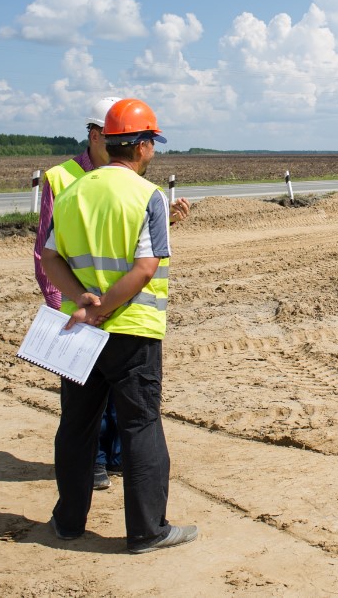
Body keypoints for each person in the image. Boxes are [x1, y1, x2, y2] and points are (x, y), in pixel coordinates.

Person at [39, 97, 197, 554]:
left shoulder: (73, 191)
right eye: (153, 143)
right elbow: (146, 268)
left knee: (76, 425)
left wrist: (83, 302)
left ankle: (67, 522)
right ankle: (148, 531)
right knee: (141, 426)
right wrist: (105, 306)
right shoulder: (147, 196)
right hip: (132, 329)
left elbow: (49, 257)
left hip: (81, 330)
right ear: (143, 146)